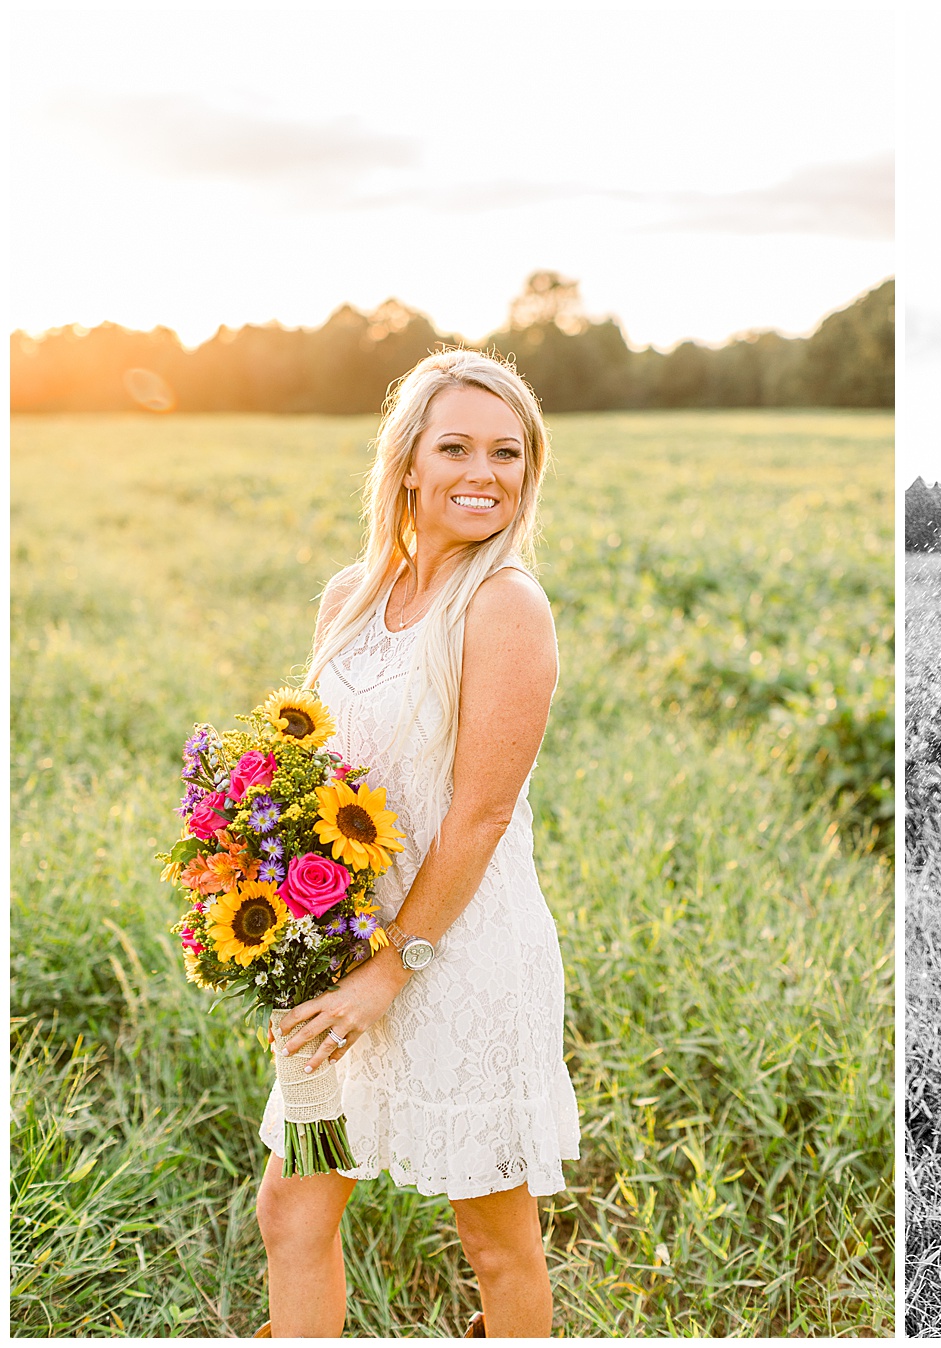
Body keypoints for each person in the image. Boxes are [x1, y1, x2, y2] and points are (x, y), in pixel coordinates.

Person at [252, 350, 580, 1337]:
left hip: (458, 955)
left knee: (492, 1237)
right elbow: (313, 773)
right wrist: (270, 900)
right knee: (293, 1203)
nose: (485, 470)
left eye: (508, 452)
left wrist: (390, 972)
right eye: (457, 446)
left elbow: (479, 815)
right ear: (408, 465)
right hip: (344, 945)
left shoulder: (504, 604)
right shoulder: (348, 595)